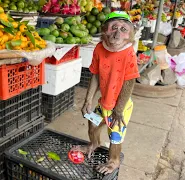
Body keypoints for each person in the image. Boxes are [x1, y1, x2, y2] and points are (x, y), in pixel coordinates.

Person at [71, 11, 139, 175]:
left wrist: (119, 109)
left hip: (120, 107)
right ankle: (93, 144)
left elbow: (130, 82)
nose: (117, 34)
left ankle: (113, 161)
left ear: (130, 34)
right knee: (92, 122)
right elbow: (95, 74)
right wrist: (88, 100)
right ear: (104, 30)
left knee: (115, 134)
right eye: (114, 28)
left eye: (123, 29)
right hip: (104, 103)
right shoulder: (100, 48)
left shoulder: (128, 52)